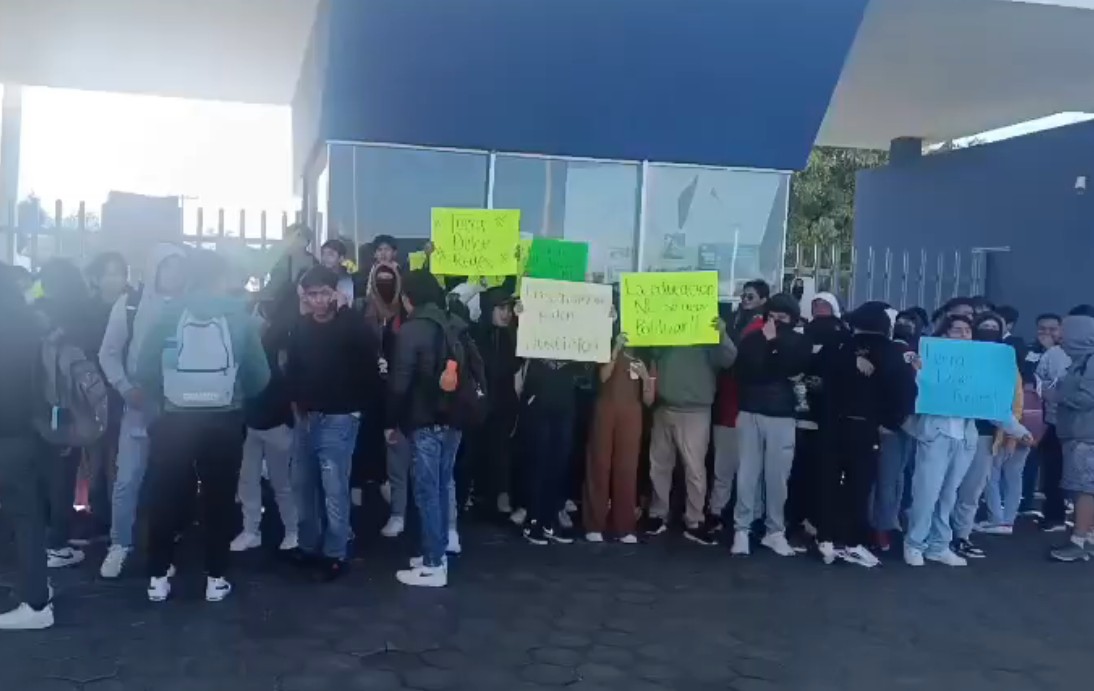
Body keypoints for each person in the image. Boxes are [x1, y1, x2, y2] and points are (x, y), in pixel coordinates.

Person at [135, 251, 270, 603]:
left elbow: (143, 369)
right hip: (224, 420)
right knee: (219, 498)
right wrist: (236, 393)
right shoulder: (238, 317)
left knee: (165, 495)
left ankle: (158, 577)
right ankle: (215, 578)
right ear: (221, 277)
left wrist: (167, 395)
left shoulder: (168, 314)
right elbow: (260, 376)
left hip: (174, 419)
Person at [903, 314, 1029, 567]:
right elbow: (908, 385)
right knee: (927, 493)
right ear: (943, 334)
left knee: (949, 495)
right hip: (936, 434)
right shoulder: (927, 359)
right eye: (956, 330)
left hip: (965, 438)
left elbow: (992, 403)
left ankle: (939, 545)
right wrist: (914, 366)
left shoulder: (978, 367)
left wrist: (1016, 429)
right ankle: (914, 543)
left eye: (967, 331)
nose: (963, 335)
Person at [97, 243, 188, 579]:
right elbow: (108, 353)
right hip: (139, 404)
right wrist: (125, 387)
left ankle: (163, 549)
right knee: (127, 479)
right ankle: (120, 544)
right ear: (154, 269)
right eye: (167, 266)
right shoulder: (130, 304)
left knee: (170, 481)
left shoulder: (192, 306)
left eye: (178, 267)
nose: (173, 274)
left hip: (179, 408)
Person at [287, 265, 378, 581]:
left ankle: (336, 551)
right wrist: (296, 402)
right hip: (306, 415)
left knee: (334, 486)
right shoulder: (300, 327)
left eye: (324, 293)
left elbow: (370, 357)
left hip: (340, 416)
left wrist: (346, 310)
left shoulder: (350, 326)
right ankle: (308, 544)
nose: (318, 301)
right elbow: (292, 367)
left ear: (335, 293)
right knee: (303, 484)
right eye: (312, 294)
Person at [386, 270, 472, 587]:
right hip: (455, 419)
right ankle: (436, 551)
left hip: (424, 419)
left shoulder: (411, 330)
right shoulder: (455, 323)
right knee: (442, 485)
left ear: (408, 298)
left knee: (426, 491)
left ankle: (434, 565)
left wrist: (391, 421)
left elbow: (399, 384)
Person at [642, 314, 737, 545]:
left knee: (694, 469)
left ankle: (695, 520)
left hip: (695, 410)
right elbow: (652, 354)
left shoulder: (709, 333)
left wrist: (721, 334)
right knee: (659, 465)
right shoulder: (667, 328)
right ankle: (658, 513)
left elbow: (729, 359)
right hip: (664, 406)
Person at [730, 293, 811, 557]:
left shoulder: (800, 341)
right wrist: (768, 346)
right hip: (751, 410)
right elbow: (743, 372)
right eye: (772, 316)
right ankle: (742, 529)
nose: (775, 322)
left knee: (777, 478)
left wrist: (772, 344)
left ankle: (774, 531)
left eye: (781, 317)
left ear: (792, 318)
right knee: (747, 474)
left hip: (781, 414)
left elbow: (790, 368)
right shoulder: (752, 339)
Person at [34, 259, 102, 569]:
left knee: (44, 474)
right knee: (63, 475)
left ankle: (43, 536)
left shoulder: (35, 313)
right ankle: (57, 543)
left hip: (38, 405)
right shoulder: (82, 316)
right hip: (69, 407)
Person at [949, 313, 1029, 559]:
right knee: (946, 488)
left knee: (972, 490)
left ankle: (961, 536)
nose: (988, 330)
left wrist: (1014, 432)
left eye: (994, 327)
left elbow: (1014, 400)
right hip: (951, 433)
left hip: (985, 435)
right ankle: (940, 537)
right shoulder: (955, 359)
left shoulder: (1005, 363)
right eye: (984, 326)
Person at [0, 269, 53, 630]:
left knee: (23, 517)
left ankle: (36, 603)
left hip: (7, 434)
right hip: (28, 432)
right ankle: (36, 593)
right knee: (27, 517)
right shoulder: (32, 326)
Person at [230, 296, 300, 554]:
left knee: (281, 482)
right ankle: (253, 530)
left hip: (274, 421)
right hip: (255, 421)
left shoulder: (283, 342)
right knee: (249, 479)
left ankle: (292, 530)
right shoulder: (254, 341)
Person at [784, 292, 847, 545]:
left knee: (821, 474)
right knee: (796, 472)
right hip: (799, 415)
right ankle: (795, 520)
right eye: (816, 305)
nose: (820, 308)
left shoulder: (844, 337)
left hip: (828, 418)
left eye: (825, 305)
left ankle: (816, 521)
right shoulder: (802, 335)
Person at [584, 329, 656, 543]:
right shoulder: (607, 346)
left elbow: (649, 400)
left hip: (632, 413)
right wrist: (616, 348)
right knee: (599, 464)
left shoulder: (647, 355)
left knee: (627, 468)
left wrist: (645, 377)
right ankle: (594, 524)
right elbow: (603, 377)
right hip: (605, 409)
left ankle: (625, 526)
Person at [517, 351, 589, 546]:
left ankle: (550, 521)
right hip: (539, 397)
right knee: (538, 461)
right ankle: (533, 521)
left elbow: (585, 367)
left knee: (559, 464)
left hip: (564, 401)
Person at [871, 307, 925, 550]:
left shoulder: (921, 354)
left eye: (911, 323)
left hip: (910, 423)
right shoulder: (883, 351)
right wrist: (886, 421)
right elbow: (881, 388)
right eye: (901, 322)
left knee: (898, 477)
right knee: (886, 478)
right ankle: (880, 527)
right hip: (890, 424)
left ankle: (890, 521)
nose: (906, 326)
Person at [467, 286, 520, 520]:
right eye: (501, 308)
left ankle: (500, 493)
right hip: (480, 403)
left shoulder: (510, 336)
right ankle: (474, 492)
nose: (506, 314)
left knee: (501, 451)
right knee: (475, 450)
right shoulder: (476, 334)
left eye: (508, 309)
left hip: (503, 403)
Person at [1048, 311, 1094, 562]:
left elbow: (1087, 398)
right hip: (1079, 434)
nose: (1058, 336)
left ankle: (1079, 540)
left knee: (1085, 489)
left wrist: (1056, 396)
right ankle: (1088, 537)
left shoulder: (1090, 362)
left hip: (1086, 437)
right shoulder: (1081, 361)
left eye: (1063, 331)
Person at [1035, 313, 1072, 532]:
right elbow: (1039, 381)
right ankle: (1055, 516)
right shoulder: (1053, 353)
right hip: (1054, 422)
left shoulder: (1056, 353)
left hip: (1075, 424)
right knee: (1053, 472)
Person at [319, 238, 355, 304]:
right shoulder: (318, 278)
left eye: (330, 254)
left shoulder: (348, 280)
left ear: (341, 258)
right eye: (323, 254)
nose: (325, 258)